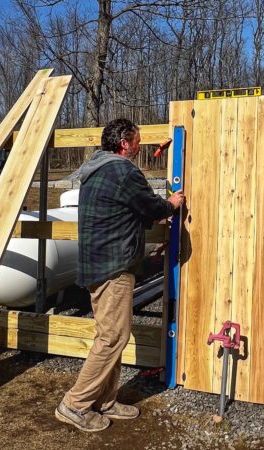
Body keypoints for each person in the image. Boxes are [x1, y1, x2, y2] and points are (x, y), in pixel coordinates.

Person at [55, 118, 185, 432]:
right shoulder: (123, 170)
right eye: (137, 141)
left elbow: (126, 210)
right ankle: (75, 404)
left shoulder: (98, 169)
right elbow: (150, 207)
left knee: (111, 335)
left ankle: (106, 400)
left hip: (98, 264)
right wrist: (171, 203)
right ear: (125, 142)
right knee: (113, 337)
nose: (140, 147)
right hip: (113, 266)